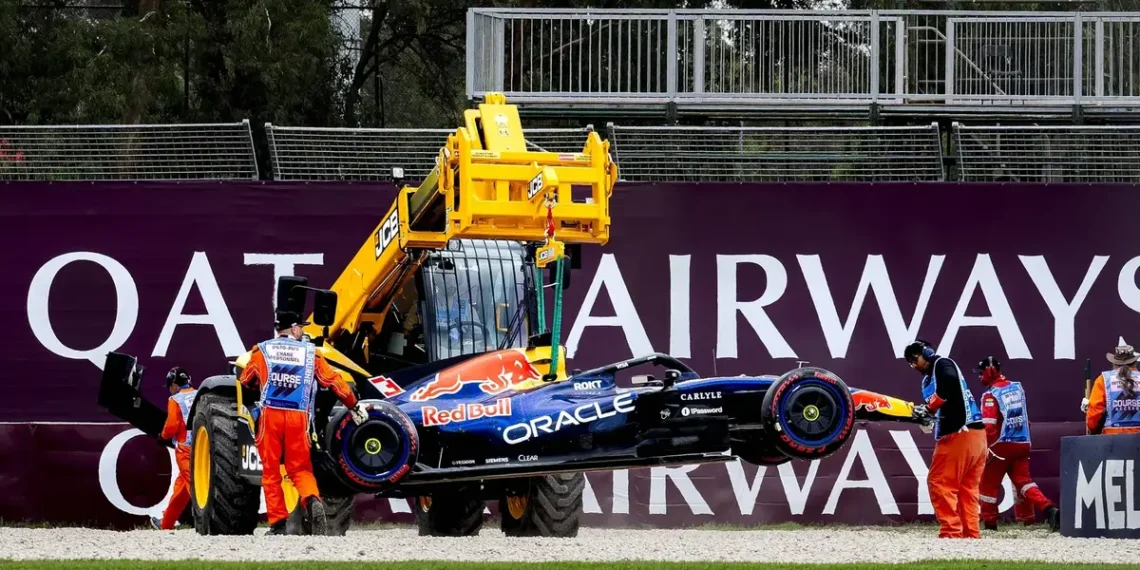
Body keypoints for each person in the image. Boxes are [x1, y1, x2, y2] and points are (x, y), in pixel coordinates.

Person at [239, 310, 370, 535]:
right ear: (293, 328)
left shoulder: (262, 350)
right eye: (300, 327)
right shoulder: (310, 353)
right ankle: (312, 499)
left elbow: (246, 381)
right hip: (298, 416)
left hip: (270, 415)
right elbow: (333, 381)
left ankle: (278, 525)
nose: (302, 331)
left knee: (271, 470)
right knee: (300, 468)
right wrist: (354, 405)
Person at [904, 339, 987, 539]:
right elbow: (942, 401)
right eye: (910, 363)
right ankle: (971, 534)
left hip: (958, 434)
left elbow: (948, 383)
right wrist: (927, 418)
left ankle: (951, 532)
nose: (914, 365)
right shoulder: (928, 380)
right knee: (967, 488)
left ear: (927, 352)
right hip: (976, 436)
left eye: (915, 359)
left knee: (939, 482)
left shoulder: (942, 364)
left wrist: (929, 408)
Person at [974, 356, 1060, 532]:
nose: (979, 377)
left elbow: (989, 427)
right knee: (1024, 482)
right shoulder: (1017, 388)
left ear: (990, 372)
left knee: (987, 485)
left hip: (1001, 446)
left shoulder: (990, 395)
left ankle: (990, 523)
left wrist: (983, 447)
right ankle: (1049, 509)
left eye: (981, 373)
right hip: (1023, 443)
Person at [151, 367, 198, 531]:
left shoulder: (175, 400)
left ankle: (213, 520)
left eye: (170, 386)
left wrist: (163, 436)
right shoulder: (200, 394)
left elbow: (172, 426)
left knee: (195, 485)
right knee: (181, 489)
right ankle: (166, 523)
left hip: (185, 451)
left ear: (174, 385)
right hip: (203, 447)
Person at [1085, 344, 1140, 435]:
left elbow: (1095, 411)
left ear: (1114, 363)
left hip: (1112, 438)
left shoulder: (1103, 380)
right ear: (1135, 362)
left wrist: (1092, 428)